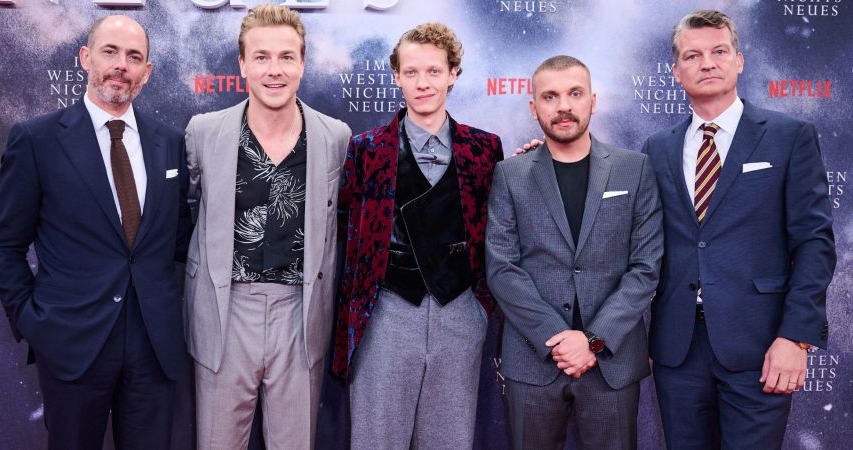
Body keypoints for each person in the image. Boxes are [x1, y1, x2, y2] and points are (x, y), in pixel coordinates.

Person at [0, 15, 191, 449]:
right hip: (72, 344)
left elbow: (177, 241)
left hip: (154, 347)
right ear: (85, 58)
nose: (121, 65)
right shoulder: (36, 139)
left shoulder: (169, 142)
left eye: (134, 57)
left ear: (147, 72)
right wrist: (32, 321)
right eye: (110, 52)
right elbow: (3, 245)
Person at [642, 10, 836, 449]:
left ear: (739, 60)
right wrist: (545, 164)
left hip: (761, 345)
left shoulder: (789, 137)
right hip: (677, 350)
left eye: (718, 52)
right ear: (676, 72)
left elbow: (814, 243)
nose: (707, 63)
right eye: (693, 55)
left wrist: (795, 337)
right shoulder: (656, 148)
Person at [182, 4, 351, 449]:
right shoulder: (204, 132)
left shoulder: (334, 136)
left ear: (302, 63)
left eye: (286, 57)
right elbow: (181, 216)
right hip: (224, 310)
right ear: (241, 64)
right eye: (261, 57)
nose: (273, 70)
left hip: (300, 311)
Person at [331, 22, 503, 449]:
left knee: (450, 441)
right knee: (376, 440)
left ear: (453, 74)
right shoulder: (366, 149)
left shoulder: (485, 149)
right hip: (386, 313)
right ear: (395, 77)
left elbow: (500, 225)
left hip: (459, 313)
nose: (422, 83)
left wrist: (480, 309)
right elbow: (345, 227)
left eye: (433, 71)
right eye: (411, 72)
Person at [486, 55, 663, 450]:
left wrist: (594, 341)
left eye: (574, 93)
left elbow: (646, 267)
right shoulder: (510, 175)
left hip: (611, 363)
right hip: (533, 361)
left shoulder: (634, 169)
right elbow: (502, 268)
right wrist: (557, 337)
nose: (563, 106)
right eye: (550, 96)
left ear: (593, 100)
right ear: (534, 107)